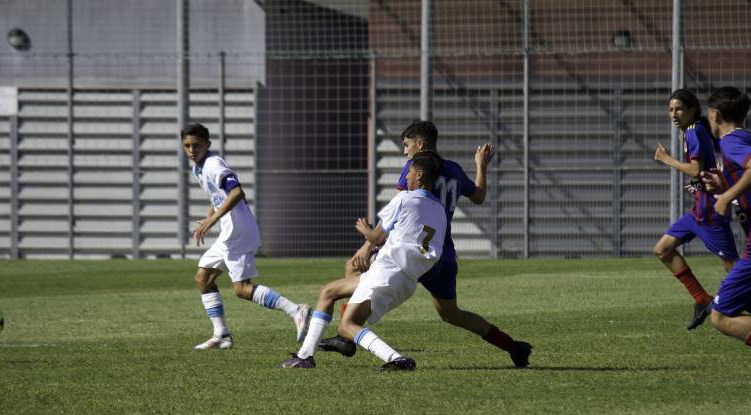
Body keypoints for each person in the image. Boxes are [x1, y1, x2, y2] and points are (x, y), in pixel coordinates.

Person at [319, 120, 532, 367]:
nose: (405, 151)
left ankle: (348, 336)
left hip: (409, 250)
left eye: (407, 145)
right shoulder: (453, 169)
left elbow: (401, 208)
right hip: (440, 252)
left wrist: (368, 246)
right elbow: (479, 196)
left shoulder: (415, 168)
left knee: (354, 269)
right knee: (451, 313)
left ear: (420, 144)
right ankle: (514, 347)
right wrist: (480, 165)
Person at [279, 151, 447, 369]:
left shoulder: (405, 198)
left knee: (347, 325)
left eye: (409, 172)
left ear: (421, 174)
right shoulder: (440, 211)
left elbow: (377, 237)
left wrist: (365, 230)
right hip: (406, 282)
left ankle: (397, 359)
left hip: (387, 271)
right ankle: (306, 356)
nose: (406, 177)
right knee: (329, 293)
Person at [181, 123, 310, 349]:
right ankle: (221, 335)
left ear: (207, 145)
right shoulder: (198, 168)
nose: (192, 150)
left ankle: (296, 310)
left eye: (196, 145)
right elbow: (217, 197)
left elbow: (237, 192)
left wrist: (213, 220)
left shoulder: (213, 164)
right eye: (187, 146)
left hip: (238, 231)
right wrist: (209, 218)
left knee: (242, 289)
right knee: (203, 278)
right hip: (228, 232)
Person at [652, 89, 738, 330]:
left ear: (692, 110)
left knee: (734, 268)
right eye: (670, 109)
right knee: (663, 250)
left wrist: (666, 159)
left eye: (679, 108)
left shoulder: (693, 132)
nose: (674, 114)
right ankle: (702, 300)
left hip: (711, 212)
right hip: (698, 211)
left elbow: (695, 169)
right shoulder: (694, 130)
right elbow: (707, 167)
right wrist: (700, 184)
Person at [700, 87, 751, 353]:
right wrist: (724, 183)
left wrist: (725, 196)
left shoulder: (730, 142)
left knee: (721, 315)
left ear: (714, 114)